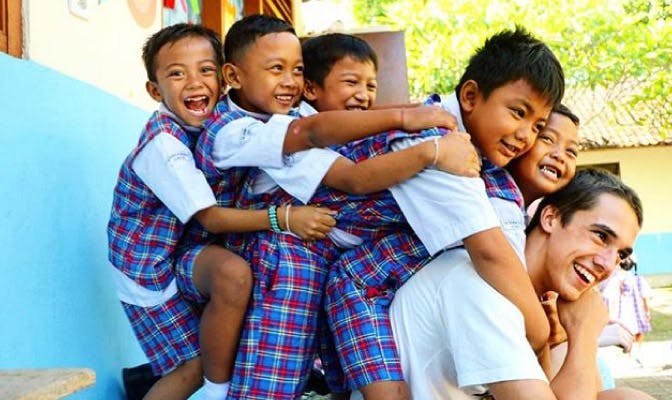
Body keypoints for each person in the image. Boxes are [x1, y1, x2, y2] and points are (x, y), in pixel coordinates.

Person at [193, 15, 475, 400]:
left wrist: (426, 112)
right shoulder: (238, 131)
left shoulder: (285, 116)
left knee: (304, 367)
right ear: (234, 75)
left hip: (289, 245)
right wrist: (429, 146)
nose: (289, 81)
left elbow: (342, 122)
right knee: (273, 377)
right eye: (277, 69)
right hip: (260, 250)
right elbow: (350, 173)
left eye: (296, 69)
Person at [313, 28, 565, 400]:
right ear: (470, 96)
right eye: (518, 112)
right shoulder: (437, 142)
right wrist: (539, 332)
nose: (525, 135)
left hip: (393, 272)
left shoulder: (489, 165)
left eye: (538, 126)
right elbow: (490, 252)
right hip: (359, 284)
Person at [107, 23, 337, 400]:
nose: (195, 82)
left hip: (189, 252)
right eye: (177, 73)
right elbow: (210, 217)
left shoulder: (224, 122)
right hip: (150, 270)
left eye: (205, 69)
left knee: (222, 325)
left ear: (226, 76)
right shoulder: (164, 145)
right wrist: (285, 219)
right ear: (154, 90)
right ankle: (217, 392)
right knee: (192, 365)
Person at [389, 169, 652, 399]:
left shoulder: (538, 303)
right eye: (600, 236)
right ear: (550, 219)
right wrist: (584, 334)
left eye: (621, 254)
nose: (608, 264)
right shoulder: (482, 284)